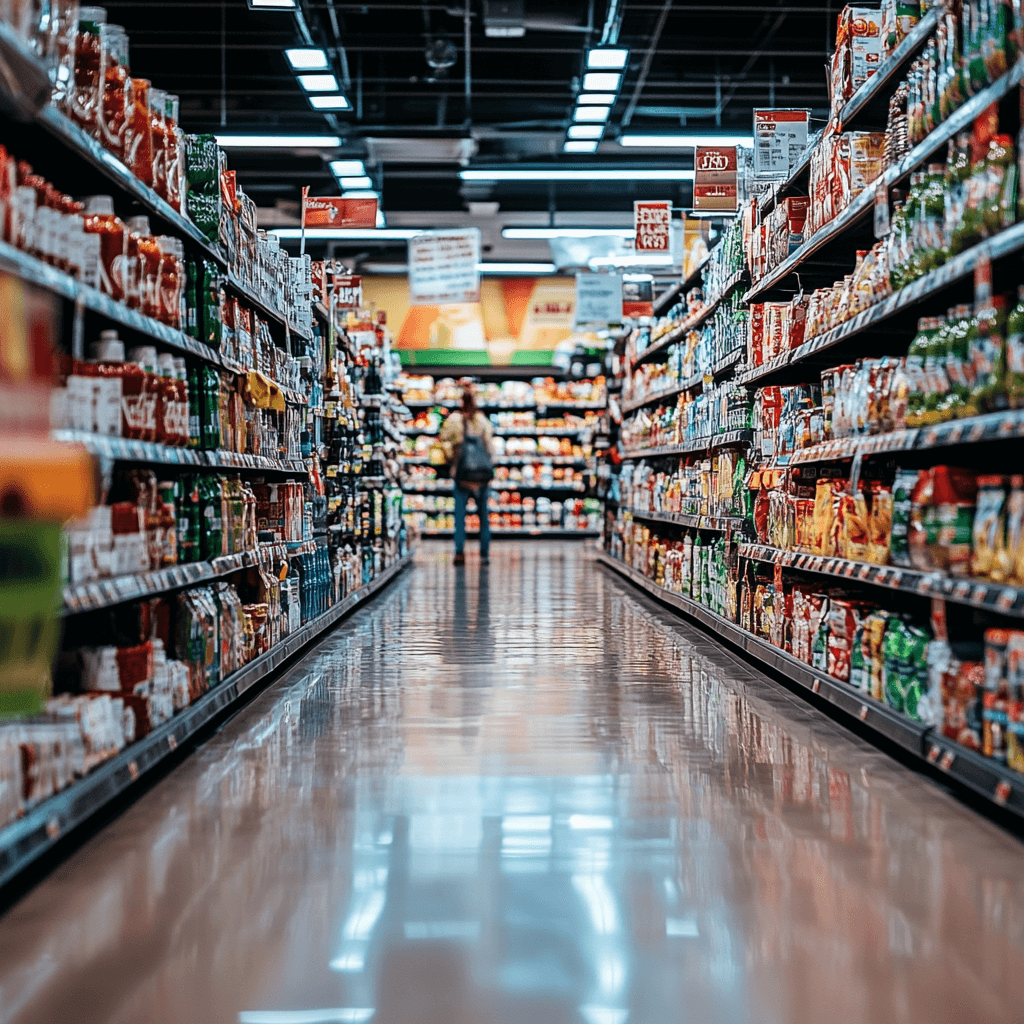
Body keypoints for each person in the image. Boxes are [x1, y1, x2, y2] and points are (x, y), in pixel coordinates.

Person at [438, 385, 494, 564]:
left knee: (460, 518)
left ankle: (460, 553)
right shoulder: (483, 421)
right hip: (481, 477)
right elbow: (490, 448)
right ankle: (484, 554)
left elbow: (444, 442)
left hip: (462, 475)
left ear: (461, 401)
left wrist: (450, 459)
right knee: (483, 517)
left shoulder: (454, 420)